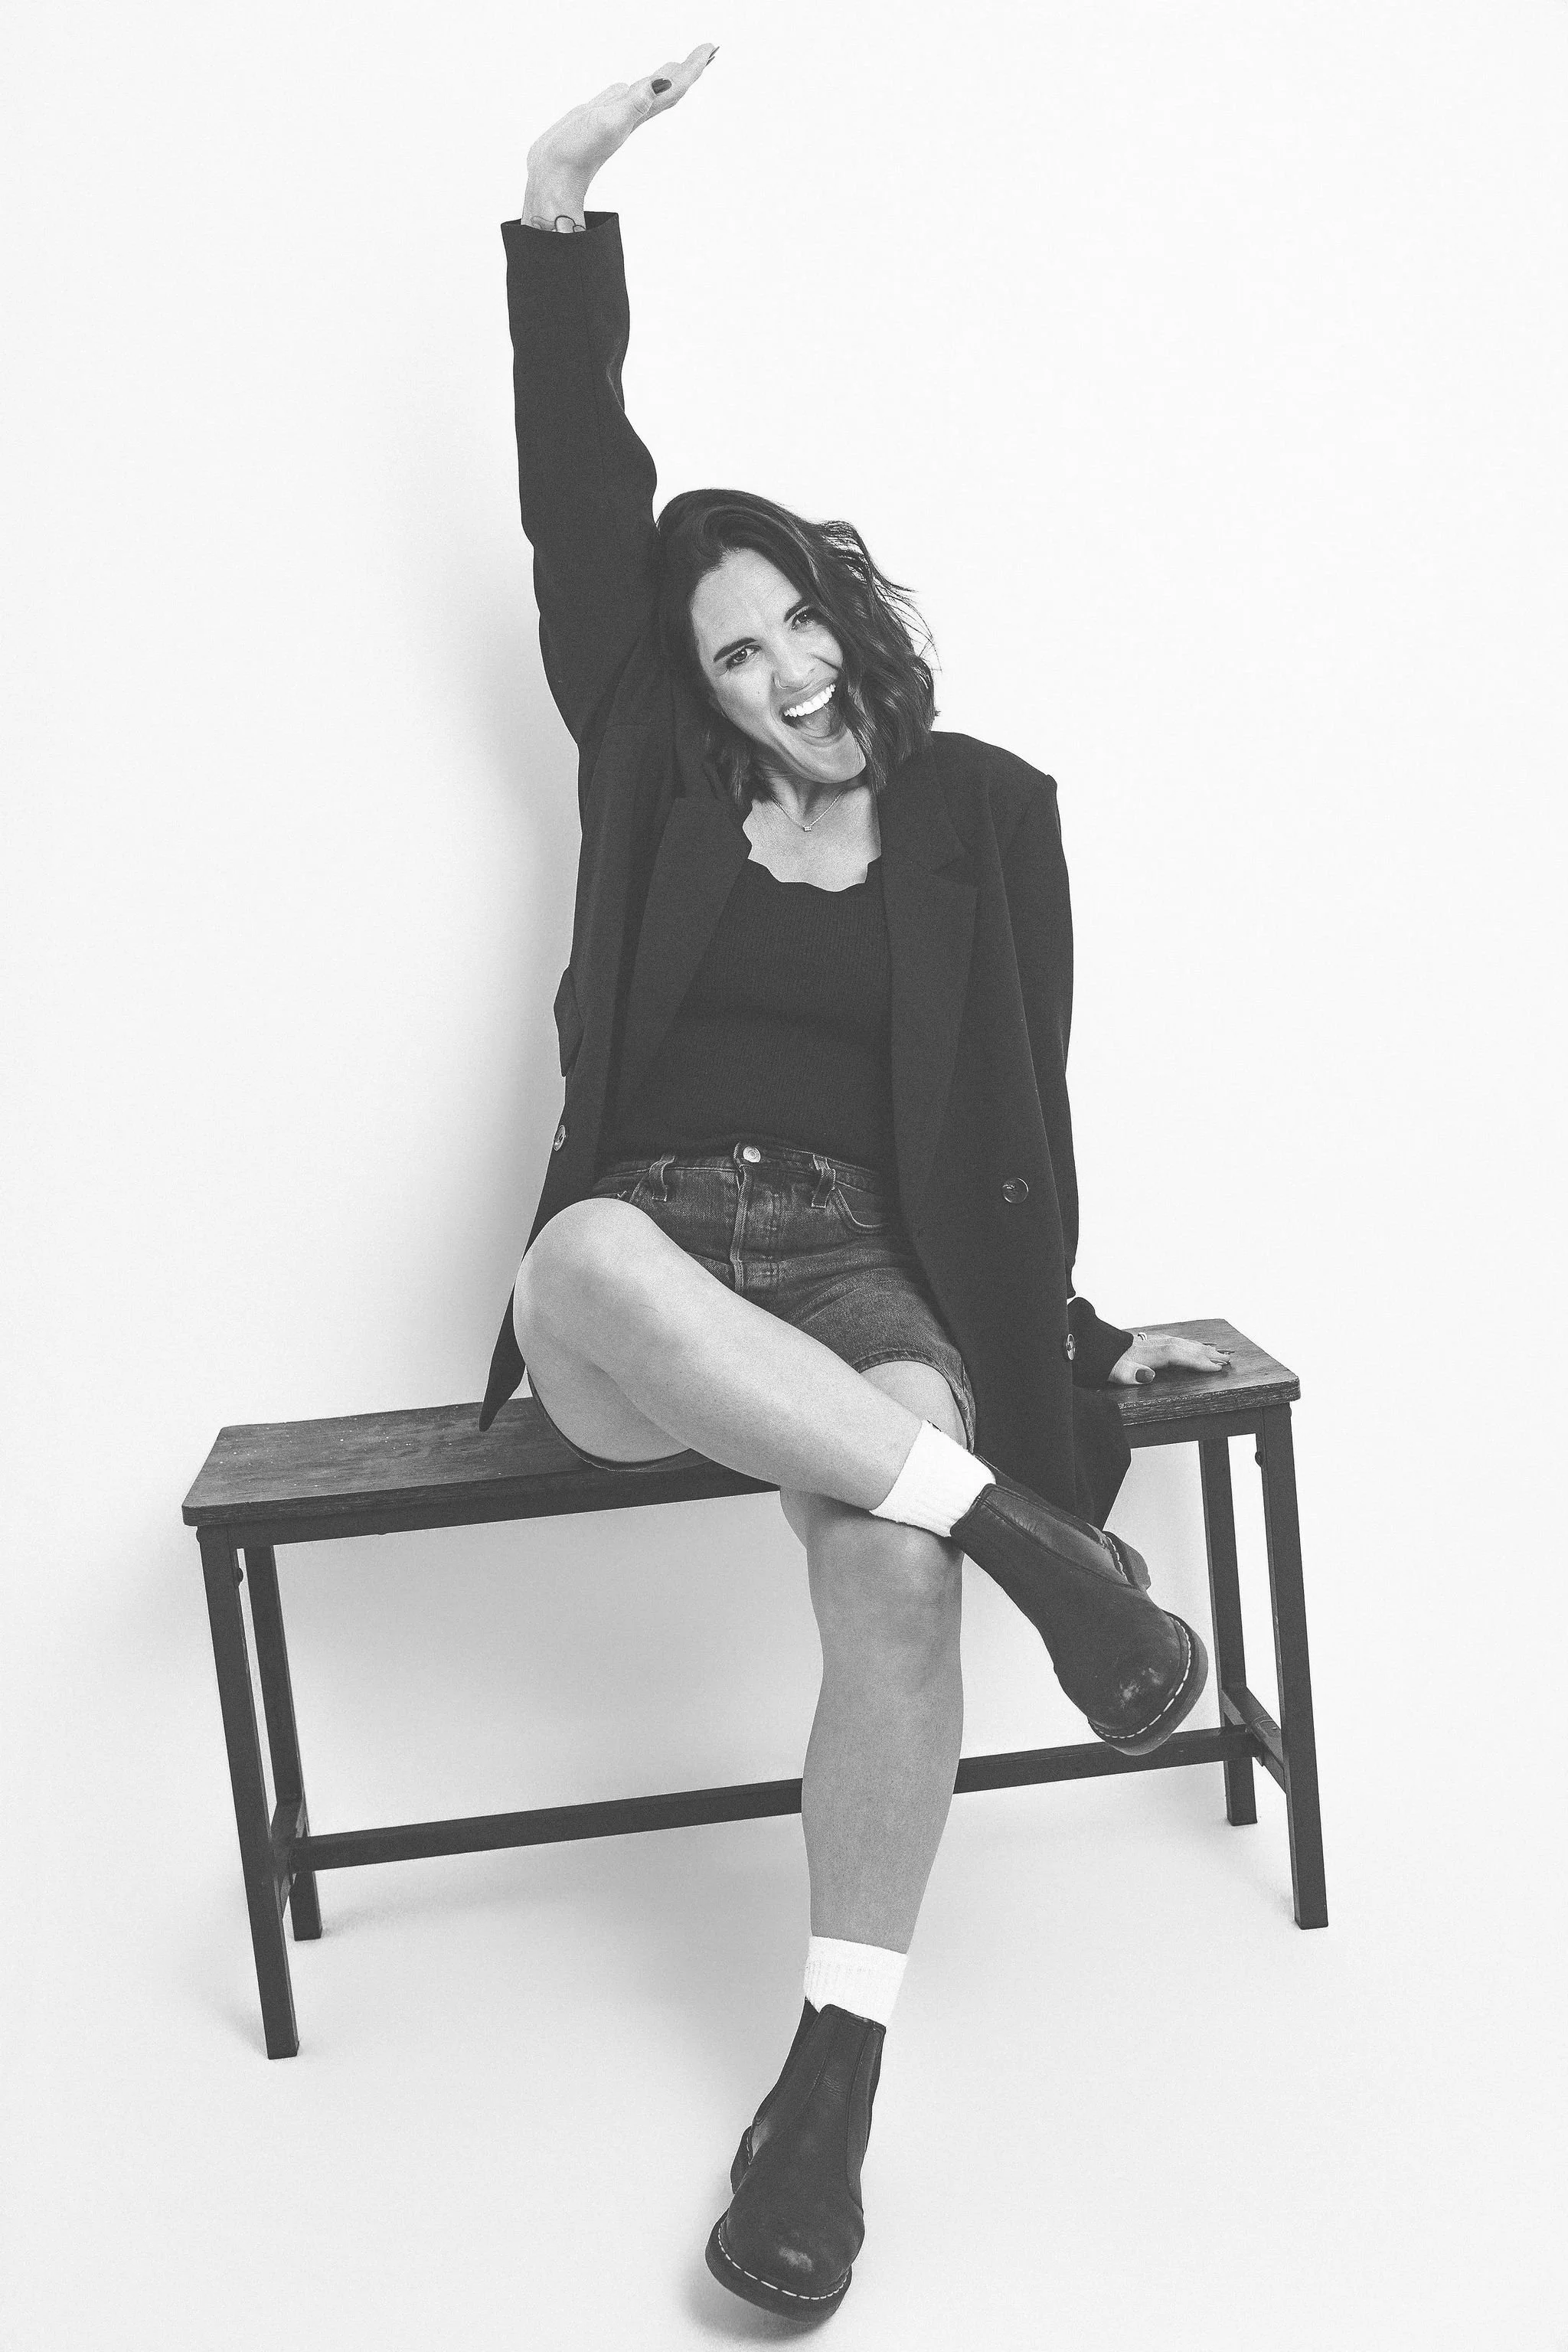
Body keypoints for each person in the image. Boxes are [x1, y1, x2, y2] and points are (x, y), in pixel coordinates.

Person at [480, 44, 1232, 2321]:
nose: (779, 667)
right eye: (730, 653)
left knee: (884, 1592)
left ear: (844, 604)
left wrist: (1068, 1346)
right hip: (646, 1293)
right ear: (685, 687)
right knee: (591, 1251)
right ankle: (1032, 1549)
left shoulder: (991, 816)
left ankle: (833, 2092)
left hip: (860, 1273)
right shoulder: (657, 773)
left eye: (794, 614)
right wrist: (555, 200)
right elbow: (567, 479)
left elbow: (1024, 1128)